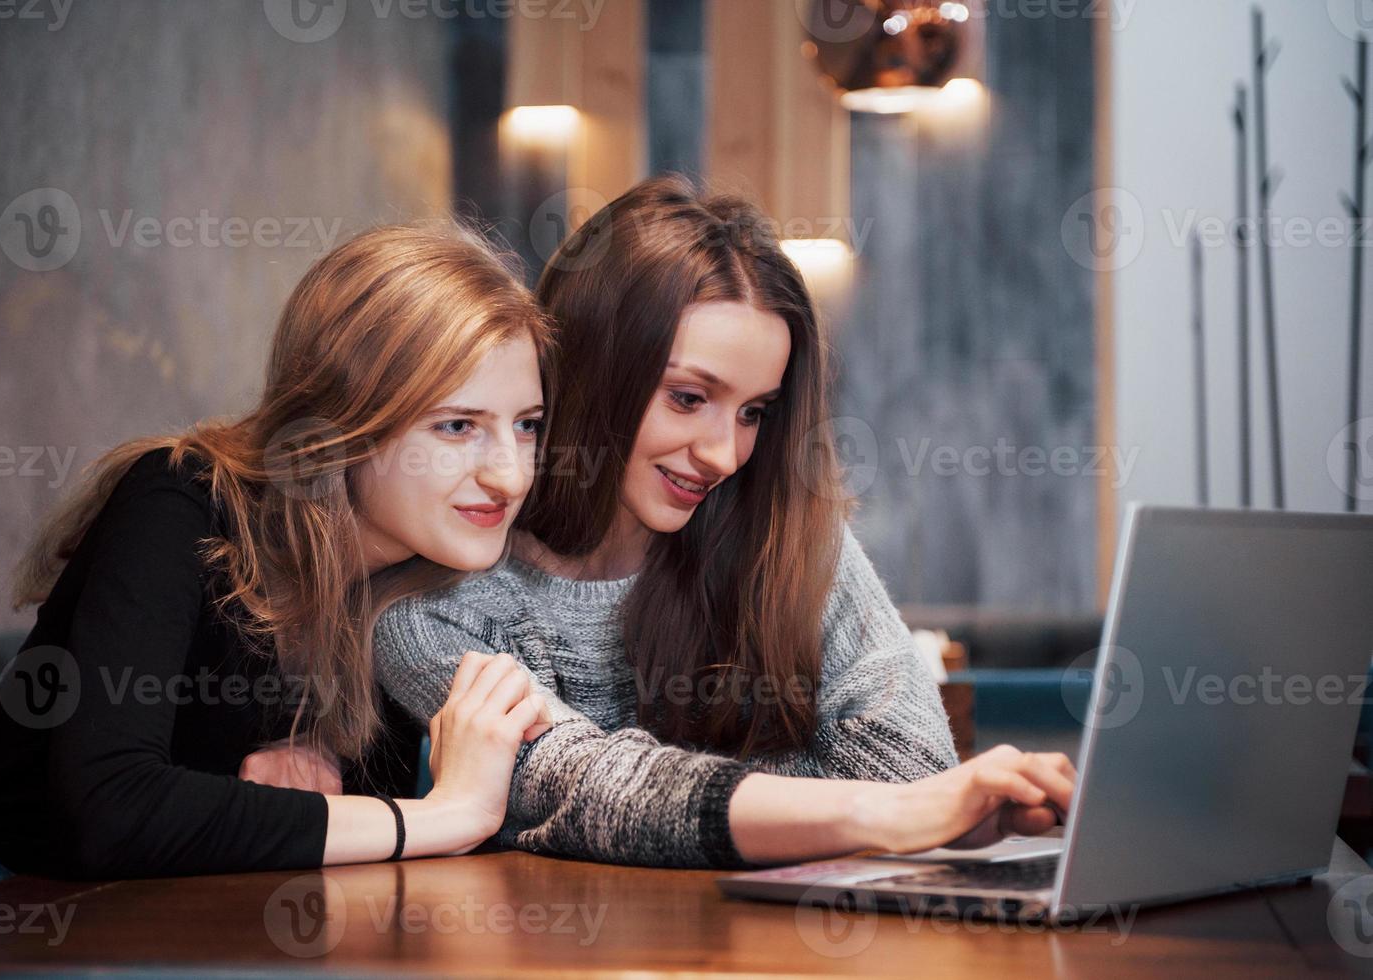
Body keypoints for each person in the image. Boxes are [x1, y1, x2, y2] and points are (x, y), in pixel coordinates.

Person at [373, 176, 1076, 869]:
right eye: (687, 398)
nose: (724, 454)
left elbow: (911, 767)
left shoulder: (787, 531)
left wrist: (880, 808)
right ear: (591, 369)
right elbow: (587, 790)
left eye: (753, 413)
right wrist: (859, 808)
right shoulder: (438, 599)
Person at [0, 226, 554, 904]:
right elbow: (107, 812)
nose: (510, 476)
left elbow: (333, 837)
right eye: (457, 426)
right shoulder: (179, 498)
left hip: (148, 916)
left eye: (527, 425)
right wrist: (446, 814)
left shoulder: (421, 583)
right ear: (342, 427)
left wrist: (300, 779)